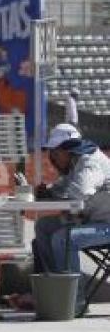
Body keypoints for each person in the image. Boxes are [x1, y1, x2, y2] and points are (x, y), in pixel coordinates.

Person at [25, 124, 110, 314]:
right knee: (44, 226)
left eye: (54, 154)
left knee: (64, 238)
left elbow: (79, 193)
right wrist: (47, 193)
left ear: (66, 150)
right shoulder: (74, 162)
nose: (52, 159)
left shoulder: (90, 164)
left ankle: (74, 299)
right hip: (94, 221)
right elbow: (63, 188)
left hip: (106, 226)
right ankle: (54, 287)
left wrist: (57, 197)